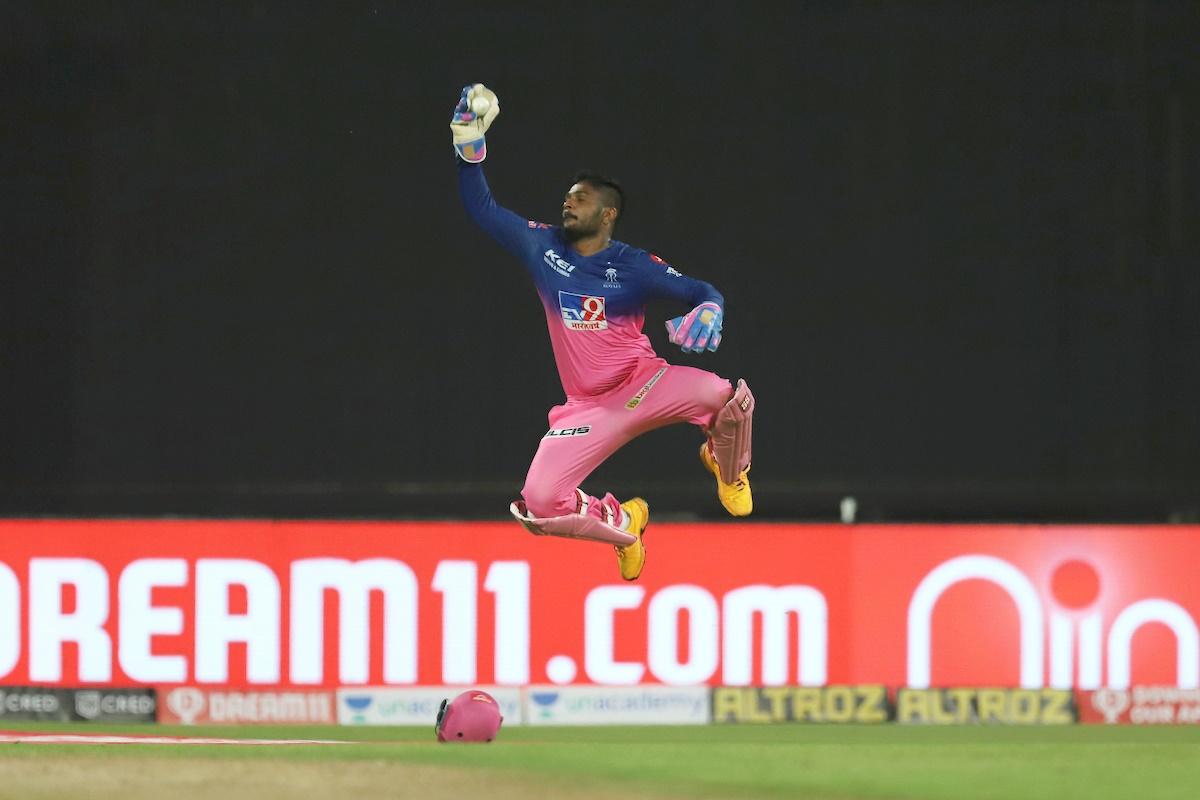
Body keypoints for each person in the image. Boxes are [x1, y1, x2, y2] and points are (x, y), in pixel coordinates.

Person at [450, 83, 755, 581]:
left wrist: (710, 309)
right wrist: (467, 146)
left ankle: (728, 470)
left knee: (729, 399)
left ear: (607, 214)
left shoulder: (632, 266)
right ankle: (624, 522)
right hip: (589, 409)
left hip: (645, 384)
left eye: (581, 199)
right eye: (568, 197)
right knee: (540, 504)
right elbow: (483, 208)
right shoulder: (542, 248)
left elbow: (701, 289)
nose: (568, 204)